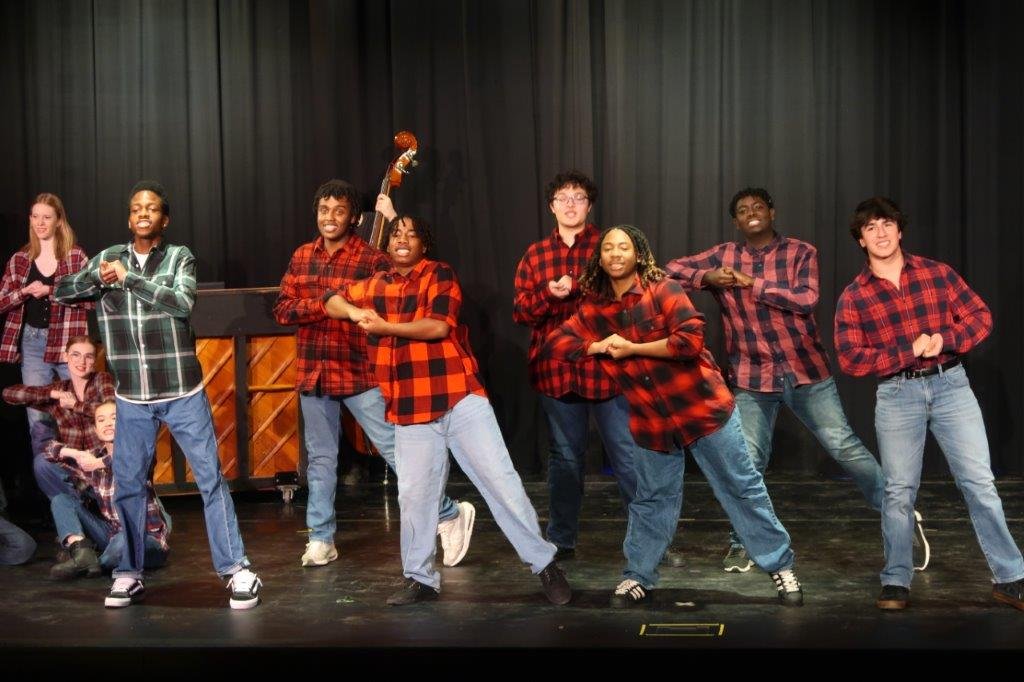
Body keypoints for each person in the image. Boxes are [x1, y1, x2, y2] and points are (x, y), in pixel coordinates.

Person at [665, 187, 927, 573]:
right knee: (749, 461)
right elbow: (668, 271)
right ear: (736, 221)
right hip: (752, 377)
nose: (751, 213)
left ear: (771, 211)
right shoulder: (724, 255)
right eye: (742, 210)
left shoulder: (801, 252)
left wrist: (749, 283)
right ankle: (743, 542)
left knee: (844, 446)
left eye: (757, 206)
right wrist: (708, 277)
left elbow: (806, 299)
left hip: (805, 371)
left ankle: (901, 517)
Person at [542, 225, 803, 607]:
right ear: (600, 259)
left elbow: (689, 341)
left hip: (704, 408)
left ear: (639, 255)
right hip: (652, 419)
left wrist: (631, 348)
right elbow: (557, 343)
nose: (615, 254)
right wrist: (599, 345)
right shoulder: (595, 308)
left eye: (624, 247)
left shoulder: (662, 288)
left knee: (741, 488)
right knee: (651, 499)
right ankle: (638, 576)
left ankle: (780, 566)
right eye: (608, 248)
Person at [325, 215, 571, 606]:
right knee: (415, 496)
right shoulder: (376, 284)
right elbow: (330, 297)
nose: (403, 239)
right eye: (396, 234)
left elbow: (437, 326)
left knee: (502, 484)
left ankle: (545, 564)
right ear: (387, 246)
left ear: (424, 244)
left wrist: (384, 326)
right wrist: (355, 314)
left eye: (412, 234)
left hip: (459, 399)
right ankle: (420, 579)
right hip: (409, 408)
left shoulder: (438, 273)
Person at [54, 180, 262, 609]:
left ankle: (236, 569)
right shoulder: (108, 259)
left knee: (210, 479)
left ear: (163, 219)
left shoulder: (178, 258)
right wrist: (96, 276)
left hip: (181, 390)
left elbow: (181, 303)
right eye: (135, 209)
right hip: (132, 395)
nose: (142, 213)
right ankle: (128, 573)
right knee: (128, 483)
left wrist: (131, 281)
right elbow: (63, 290)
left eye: (151, 208)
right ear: (130, 219)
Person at [834, 196, 1023, 611]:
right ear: (861, 241)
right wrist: (907, 350)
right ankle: (896, 579)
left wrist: (946, 339)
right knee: (899, 491)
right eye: (870, 228)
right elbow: (850, 357)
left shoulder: (936, 273)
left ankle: (1010, 577)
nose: (880, 233)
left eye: (887, 224)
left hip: (951, 385)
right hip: (897, 394)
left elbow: (979, 316)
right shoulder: (855, 295)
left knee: (979, 484)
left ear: (900, 231)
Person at [274, 180, 474, 569]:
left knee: (399, 452)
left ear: (354, 217)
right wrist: (328, 306)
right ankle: (321, 538)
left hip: (361, 371)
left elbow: (394, 304)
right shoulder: (301, 256)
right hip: (313, 371)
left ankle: (448, 513)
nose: (329, 218)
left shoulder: (371, 258)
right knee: (319, 459)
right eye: (323, 210)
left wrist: (341, 308)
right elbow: (283, 308)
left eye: (338, 211)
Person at [513, 171, 639, 561]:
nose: (570, 204)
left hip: (607, 369)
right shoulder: (535, 255)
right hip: (557, 371)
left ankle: (649, 537)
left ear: (589, 205)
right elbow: (521, 312)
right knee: (565, 459)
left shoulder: (611, 246)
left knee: (628, 456)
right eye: (563, 198)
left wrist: (587, 292)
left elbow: (634, 301)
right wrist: (549, 296)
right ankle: (562, 540)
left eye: (579, 197)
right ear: (552, 206)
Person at [0, 193, 90, 478]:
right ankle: (52, 485)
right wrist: (24, 292)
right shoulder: (20, 260)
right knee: (38, 417)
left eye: (47, 217)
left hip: (68, 342)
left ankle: (85, 484)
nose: (40, 222)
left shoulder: (75, 256)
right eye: (35, 216)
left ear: (59, 221)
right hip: (33, 342)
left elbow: (89, 296)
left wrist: (51, 291)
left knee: (78, 411)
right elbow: (2, 300)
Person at [44, 400, 170, 580]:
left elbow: (126, 457)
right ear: (95, 429)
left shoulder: (138, 449)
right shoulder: (93, 456)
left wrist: (98, 463)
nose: (108, 423)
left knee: (121, 543)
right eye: (101, 420)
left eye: (114, 418)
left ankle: (95, 563)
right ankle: (82, 554)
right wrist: (76, 454)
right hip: (112, 533)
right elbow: (48, 451)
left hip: (147, 538)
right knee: (61, 501)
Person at [3, 336, 115, 502]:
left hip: (103, 465)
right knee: (42, 463)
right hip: (77, 468)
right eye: (76, 355)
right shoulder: (60, 389)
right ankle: (76, 506)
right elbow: (10, 394)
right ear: (66, 357)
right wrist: (51, 394)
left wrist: (76, 405)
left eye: (88, 356)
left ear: (94, 359)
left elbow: (113, 411)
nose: (82, 361)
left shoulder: (101, 379)